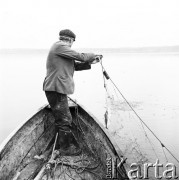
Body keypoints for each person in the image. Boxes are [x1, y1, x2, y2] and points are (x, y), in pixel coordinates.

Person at [43, 29, 102, 155]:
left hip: (56, 89)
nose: (72, 44)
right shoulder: (59, 46)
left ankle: (61, 145)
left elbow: (74, 65)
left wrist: (91, 62)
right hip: (55, 89)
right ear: (70, 40)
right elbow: (80, 56)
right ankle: (66, 149)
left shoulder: (60, 50)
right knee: (65, 119)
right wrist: (92, 55)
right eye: (72, 42)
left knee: (63, 118)